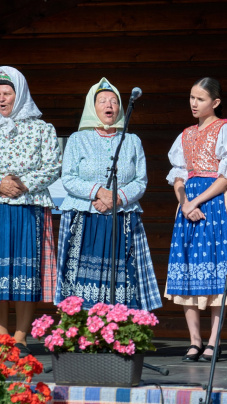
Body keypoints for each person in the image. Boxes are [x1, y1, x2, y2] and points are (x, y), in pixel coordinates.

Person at [0, 66, 61, 355]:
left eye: (7, 93)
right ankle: (1, 335)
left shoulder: (43, 129)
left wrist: (23, 184)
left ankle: (21, 336)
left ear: (20, 95)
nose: (2, 99)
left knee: (25, 272)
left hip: (28, 206)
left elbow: (53, 166)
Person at [55, 78, 161, 311]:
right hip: (85, 218)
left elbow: (140, 180)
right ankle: (81, 327)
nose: (108, 105)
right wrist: (100, 193)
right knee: (81, 274)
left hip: (121, 217)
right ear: (92, 108)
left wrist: (116, 198)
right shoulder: (77, 139)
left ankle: (120, 327)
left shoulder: (132, 141)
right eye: (102, 101)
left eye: (113, 101)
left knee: (122, 275)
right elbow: (69, 178)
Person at [165, 77, 227, 362]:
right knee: (189, 268)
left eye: (200, 99)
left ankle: (212, 340)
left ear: (215, 102)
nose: (194, 103)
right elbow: (178, 176)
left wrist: (196, 201)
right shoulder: (185, 134)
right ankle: (194, 340)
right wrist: (184, 204)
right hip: (188, 204)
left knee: (216, 269)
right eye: (191, 97)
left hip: (215, 202)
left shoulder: (226, 129)